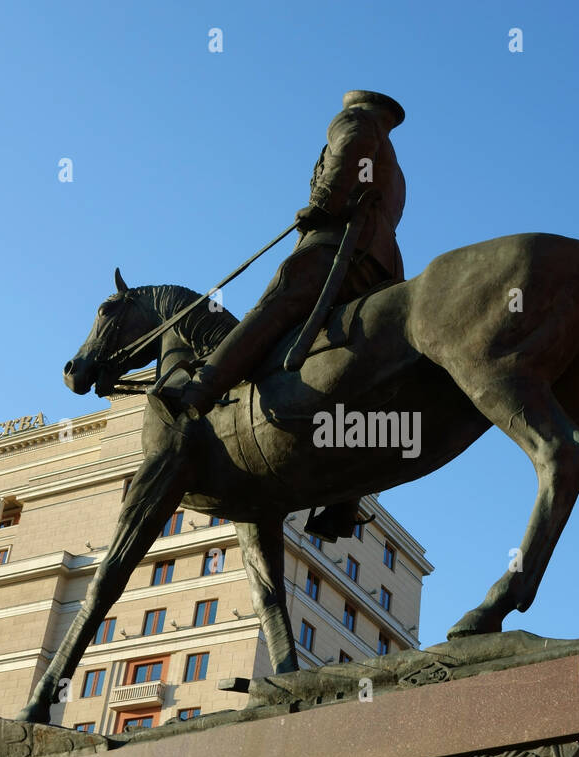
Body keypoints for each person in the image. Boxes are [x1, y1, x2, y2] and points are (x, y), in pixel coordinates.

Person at [162, 90, 407, 540]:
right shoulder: (395, 162)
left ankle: (197, 393)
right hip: (384, 263)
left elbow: (349, 149)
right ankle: (342, 503)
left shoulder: (353, 121)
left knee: (275, 308)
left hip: (339, 247)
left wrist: (323, 204)